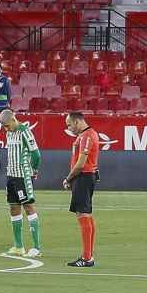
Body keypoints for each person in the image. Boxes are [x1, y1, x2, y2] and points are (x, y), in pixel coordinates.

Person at [0, 108, 42, 258]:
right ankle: (19, 246)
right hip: (11, 176)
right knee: (13, 208)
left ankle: (36, 247)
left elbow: (36, 154)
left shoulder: (25, 132)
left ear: (13, 119)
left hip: (22, 176)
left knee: (28, 206)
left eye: (7, 125)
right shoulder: (9, 133)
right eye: (4, 126)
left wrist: (34, 170)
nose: (6, 128)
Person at [64, 110, 100, 268]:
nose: (69, 128)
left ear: (77, 122)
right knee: (86, 214)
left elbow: (81, 163)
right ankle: (88, 255)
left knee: (83, 214)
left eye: (69, 124)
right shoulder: (87, 134)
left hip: (83, 177)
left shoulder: (87, 136)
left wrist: (68, 178)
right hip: (85, 177)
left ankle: (87, 258)